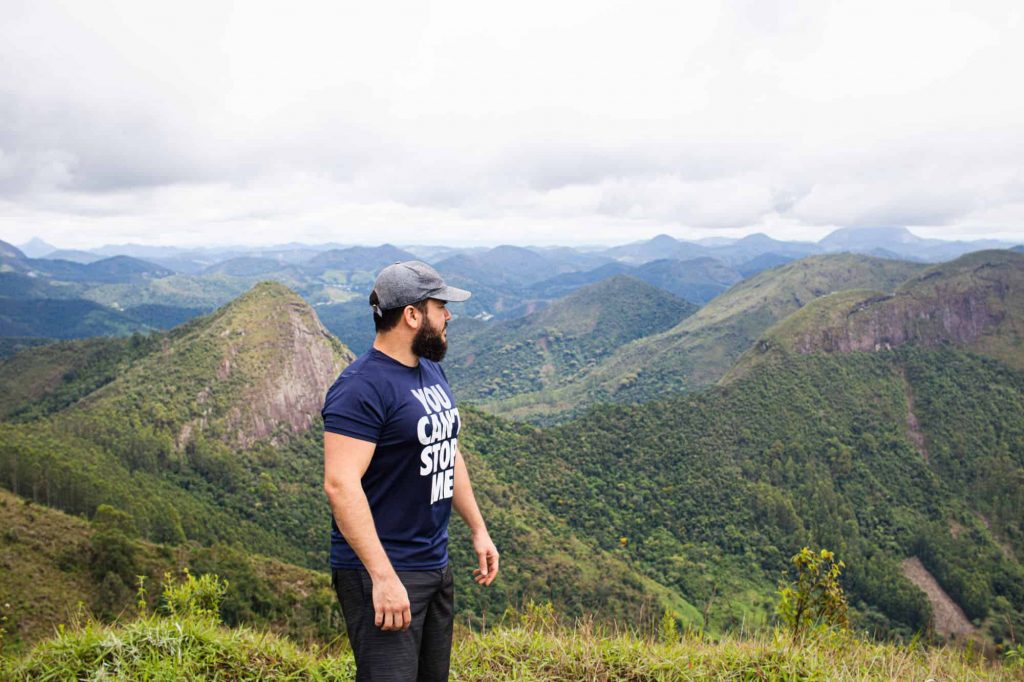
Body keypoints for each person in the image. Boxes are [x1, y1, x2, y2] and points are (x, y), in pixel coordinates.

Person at [322, 260, 499, 682]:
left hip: (434, 564)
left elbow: (447, 451)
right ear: (412, 315)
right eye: (441, 307)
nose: (449, 316)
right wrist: (382, 578)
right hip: (383, 572)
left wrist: (477, 528)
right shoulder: (361, 387)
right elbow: (340, 484)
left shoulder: (429, 369)